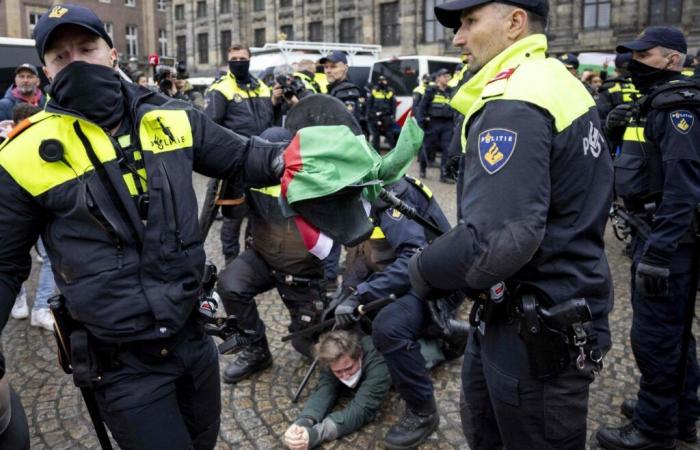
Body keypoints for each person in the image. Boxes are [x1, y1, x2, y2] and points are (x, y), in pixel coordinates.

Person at [0, 4, 285, 449]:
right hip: (122, 364)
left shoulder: (172, 115)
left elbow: (245, 156)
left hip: (194, 338)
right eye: (61, 57)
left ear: (113, 54)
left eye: (87, 48)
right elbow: (3, 262)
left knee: (204, 441)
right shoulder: (24, 152)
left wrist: (298, 158)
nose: (75, 62)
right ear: (46, 71)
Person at [409, 1, 613, 449]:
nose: (458, 38)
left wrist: (421, 271)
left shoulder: (515, 101)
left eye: (469, 22)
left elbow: (496, 239)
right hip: (529, 306)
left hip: (536, 325)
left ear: (514, 23)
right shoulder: (554, 79)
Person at [595, 26, 700, 450]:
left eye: (645, 56)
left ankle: (655, 429)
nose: (635, 64)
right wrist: (615, 128)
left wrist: (659, 252)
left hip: (667, 240)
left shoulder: (680, 107)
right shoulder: (654, 102)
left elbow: (683, 188)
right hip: (652, 232)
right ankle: (679, 414)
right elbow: (643, 166)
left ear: (672, 59)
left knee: (655, 337)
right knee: (673, 334)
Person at [333, 175, 457, 449]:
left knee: (389, 328)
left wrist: (362, 295)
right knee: (336, 320)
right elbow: (361, 255)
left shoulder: (391, 195)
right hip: (401, 276)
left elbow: (412, 260)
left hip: (435, 283)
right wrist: (347, 294)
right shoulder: (353, 196)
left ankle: (423, 411)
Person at [215, 127, 326, 384]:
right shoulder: (252, 174)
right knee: (230, 285)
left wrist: (328, 275)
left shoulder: (311, 177)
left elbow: (334, 231)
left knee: (305, 342)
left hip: (302, 269)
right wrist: (230, 179)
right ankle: (256, 349)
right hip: (262, 257)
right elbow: (232, 216)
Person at [205, 43, 278, 265]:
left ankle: (256, 257)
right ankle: (231, 259)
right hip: (234, 164)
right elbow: (210, 126)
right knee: (232, 216)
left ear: (249, 59)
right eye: (234, 58)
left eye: (242, 58)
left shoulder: (262, 88)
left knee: (261, 214)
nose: (238, 61)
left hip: (262, 164)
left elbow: (271, 119)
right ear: (228, 61)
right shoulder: (220, 88)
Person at [283, 330, 391, 450]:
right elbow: (324, 389)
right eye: (338, 371)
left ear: (359, 354)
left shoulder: (378, 364)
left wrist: (316, 434)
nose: (345, 376)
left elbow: (362, 409)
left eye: (349, 368)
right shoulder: (330, 359)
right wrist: (303, 422)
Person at [418, 68, 454, 183]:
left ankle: (444, 175)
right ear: (438, 78)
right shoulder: (431, 90)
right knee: (428, 148)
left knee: (447, 149)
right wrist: (422, 121)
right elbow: (422, 107)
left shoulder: (450, 91)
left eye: (448, 76)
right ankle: (423, 169)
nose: (447, 78)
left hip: (447, 124)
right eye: (444, 76)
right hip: (433, 123)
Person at [321, 51, 363, 125]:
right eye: (326, 67)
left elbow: (347, 125)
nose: (328, 71)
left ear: (345, 68)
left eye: (333, 66)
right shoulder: (333, 89)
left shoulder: (346, 92)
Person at [366, 75, 397, 150]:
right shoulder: (374, 90)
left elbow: (393, 104)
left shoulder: (390, 91)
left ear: (386, 81)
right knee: (375, 137)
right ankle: (376, 154)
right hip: (375, 117)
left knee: (390, 135)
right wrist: (368, 114)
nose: (382, 82)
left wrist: (393, 115)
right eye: (380, 81)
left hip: (387, 116)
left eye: (383, 80)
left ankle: (393, 153)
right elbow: (369, 103)